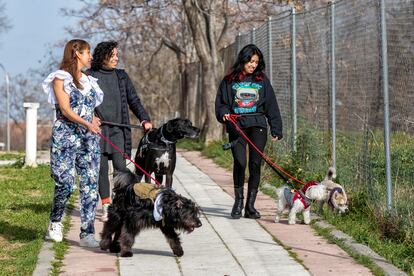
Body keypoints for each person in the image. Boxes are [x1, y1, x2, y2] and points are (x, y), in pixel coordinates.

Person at [42, 39, 103, 247]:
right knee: (65, 183)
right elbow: (66, 110)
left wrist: (93, 119)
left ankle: (87, 233)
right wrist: (87, 123)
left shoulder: (89, 80)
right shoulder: (60, 78)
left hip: (88, 139)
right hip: (66, 136)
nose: (91, 57)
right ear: (77, 53)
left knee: (90, 184)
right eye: (88, 53)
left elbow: (89, 108)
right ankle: (55, 221)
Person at [215, 44, 283, 219]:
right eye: (250, 61)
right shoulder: (229, 80)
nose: (253, 65)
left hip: (258, 125)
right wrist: (223, 113)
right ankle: (238, 201)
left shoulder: (262, 81)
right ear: (243, 60)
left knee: (254, 164)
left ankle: (250, 206)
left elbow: (272, 106)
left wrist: (276, 128)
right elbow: (221, 103)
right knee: (240, 162)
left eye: (256, 62)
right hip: (237, 125)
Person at [88, 41, 152, 221]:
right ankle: (106, 206)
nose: (116, 58)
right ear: (103, 56)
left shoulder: (121, 76)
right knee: (100, 170)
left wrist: (144, 118)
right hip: (97, 132)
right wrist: (89, 117)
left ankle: (120, 205)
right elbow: (81, 103)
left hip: (118, 131)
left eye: (117, 55)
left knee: (121, 169)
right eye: (113, 55)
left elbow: (134, 100)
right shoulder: (89, 76)